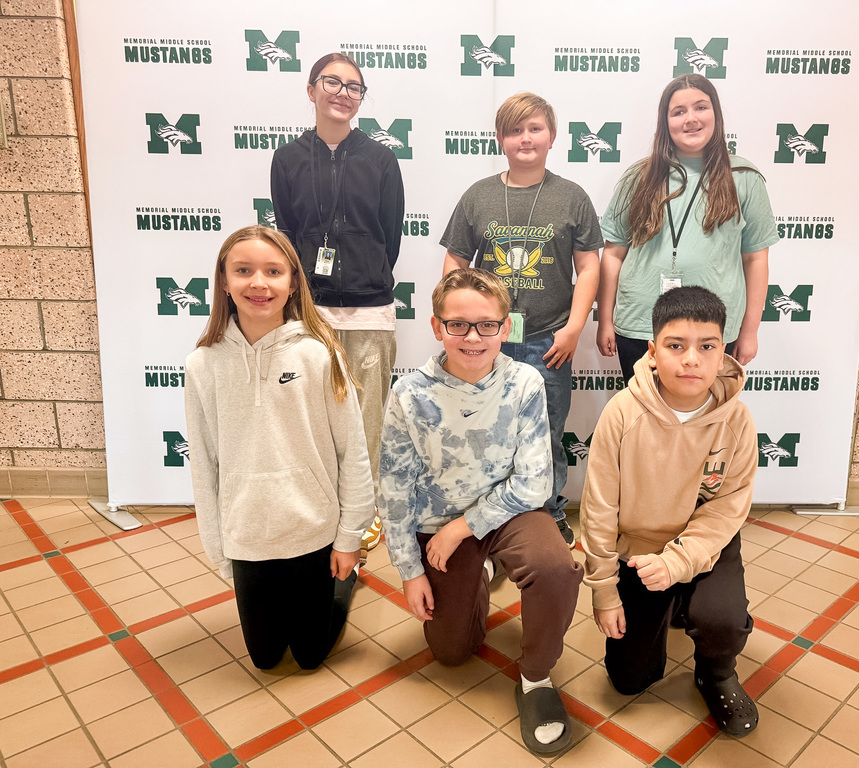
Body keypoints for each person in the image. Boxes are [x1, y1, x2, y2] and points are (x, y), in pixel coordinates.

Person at [379, 268, 584, 755]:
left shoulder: (526, 383)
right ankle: (479, 569)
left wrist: (464, 529)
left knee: (556, 567)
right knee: (451, 653)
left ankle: (535, 679)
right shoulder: (410, 393)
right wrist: (410, 571)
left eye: (487, 324)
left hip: (509, 516)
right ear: (436, 328)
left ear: (506, 327)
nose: (473, 337)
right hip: (438, 521)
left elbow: (535, 481)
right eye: (458, 325)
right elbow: (394, 486)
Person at [184, 225, 375, 671]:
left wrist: (349, 539)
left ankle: (344, 579)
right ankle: (326, 585)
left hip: (313, 530)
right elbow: (204, 464)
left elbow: (353, 451)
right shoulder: (202, 365)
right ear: (224, 282)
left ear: (292, 283)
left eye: (273, 271)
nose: (258, 283)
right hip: (248, 536)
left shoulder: (320, 354)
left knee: (309, 657)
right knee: (265, 659)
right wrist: (218, 547)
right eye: (243, 270)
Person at [580, 286, 759, 737]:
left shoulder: (737, 421)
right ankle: (667, 606)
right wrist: (604, 589)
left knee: (722, 619)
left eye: (707, 346)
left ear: (723, 354)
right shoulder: (621, 414)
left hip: (702, 546)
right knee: (629, 680)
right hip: (637, 553)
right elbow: (599, 508)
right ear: (653, 351)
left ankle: (716, 672)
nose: (691, 359)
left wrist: (678, 562)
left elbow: (726, 510)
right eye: (676, 346)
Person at [440, 92, 602, 548]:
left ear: (552, 136)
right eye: (515, 130)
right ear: (500, 139)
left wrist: (574, 328)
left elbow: (589, 267)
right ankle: (483, 520)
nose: (525, 138)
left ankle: (549, 516)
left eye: (535, 128)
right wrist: (458, 323)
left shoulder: (572, 197)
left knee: (547, 432)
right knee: (483, 430)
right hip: (486, 340)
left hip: (549, 338)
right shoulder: (479, 196)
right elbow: (455, 260)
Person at [271, 52, 404, 554]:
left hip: (370, 309)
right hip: (310, 311)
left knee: (368, 420)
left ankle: (364, 518)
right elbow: (288, 229)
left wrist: (366, 268)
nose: (343, 93)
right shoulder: (286, 159)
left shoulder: (381, 159)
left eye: (354, 87)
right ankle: (321, 512)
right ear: (311, 90)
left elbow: (389, 235)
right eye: (333, 82)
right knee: (314, 419)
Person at [598, 74, 779, 378]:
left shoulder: (744, 177)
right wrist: (604, 320)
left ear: (716, 115)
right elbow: (613, 254)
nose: (691, 119)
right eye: (678, 111)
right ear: (665, 122)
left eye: (700, 107)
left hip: (713, 329)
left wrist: (750, 331)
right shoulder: (638, 177)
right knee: (644, 419)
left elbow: (756, 258)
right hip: (642, 324)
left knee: (703, 422)